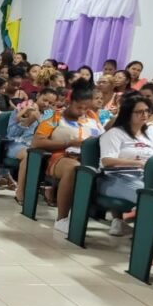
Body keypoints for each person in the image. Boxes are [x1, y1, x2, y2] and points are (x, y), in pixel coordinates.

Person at [30, 85, 102, 233]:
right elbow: (37, 142)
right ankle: (62, 219)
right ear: (69, 102)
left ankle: (116, 219)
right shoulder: (55, 117)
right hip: (61, 157)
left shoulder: (92, 117)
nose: (82, 111)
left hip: (89, 157)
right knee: (73, 168)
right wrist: (68, 143)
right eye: (79, 107)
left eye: (86, 108)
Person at [99, 95, 153, 235]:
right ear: (128, 114)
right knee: (152, 197)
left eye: (146, 111)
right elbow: (107, 160)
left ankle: (150, 231)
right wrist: (139, 163)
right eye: (139, 112)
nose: (144, 115)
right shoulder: (115, 133)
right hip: (117, 178)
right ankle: (148, 234)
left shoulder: (150, 132)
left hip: (146, 176)